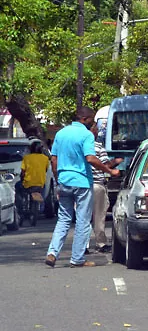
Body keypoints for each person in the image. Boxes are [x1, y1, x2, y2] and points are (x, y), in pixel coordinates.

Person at [45, 107, 120, 268]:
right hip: (82, 182)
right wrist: (109, 170)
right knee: (83, 220)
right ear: (85, 119)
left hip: (64, 181)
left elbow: (54, 160)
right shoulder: (86, 135)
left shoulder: (61, 133)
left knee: (64, 219)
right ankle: (77, 258)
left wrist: (58, 181)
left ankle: (52, 253)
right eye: (91, 120)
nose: (92, 123)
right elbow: (91, 159)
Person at [90, 122, 123, 253]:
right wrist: (116, 161)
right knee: (99, 215)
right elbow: (105, 165)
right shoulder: (97, 147)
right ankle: (101, 243)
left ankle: (83, 245)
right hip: (97, 184)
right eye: (96, 130)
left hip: (81, 185)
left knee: (83, 216)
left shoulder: (77, 146)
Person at [18, 142, 50, 219]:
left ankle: (20, 207)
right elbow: (46, 170)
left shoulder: (26, 158)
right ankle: (41, 206)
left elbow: (23, 172)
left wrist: (22, 178)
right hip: (40, 184)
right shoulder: (45, 158)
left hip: (28, 183)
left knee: (17, 187)